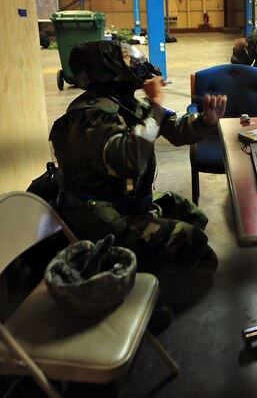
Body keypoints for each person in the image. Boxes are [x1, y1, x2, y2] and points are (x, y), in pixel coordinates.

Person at [49, 40, 227, 317]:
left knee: (194, 218)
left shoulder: (126, 105)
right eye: (127, 60)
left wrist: (206, 121)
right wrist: (155, 105)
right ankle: (136, 305)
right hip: (102, 219)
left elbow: (176, 129)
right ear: (108, 71)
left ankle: (143, 281)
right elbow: (130, 160)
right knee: (199, 253)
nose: (134, 63)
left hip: (131, 204)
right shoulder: (87, 118)